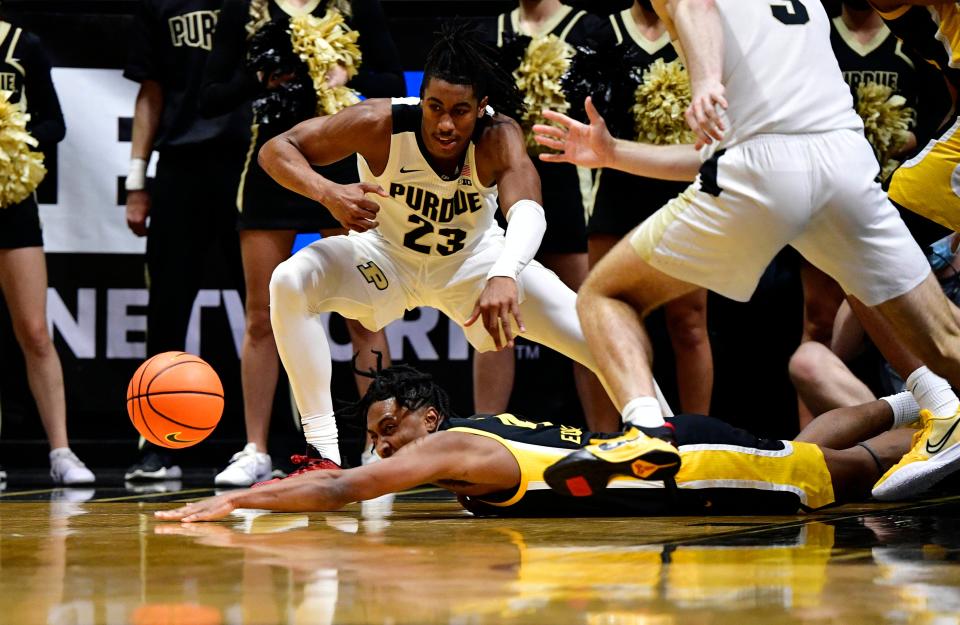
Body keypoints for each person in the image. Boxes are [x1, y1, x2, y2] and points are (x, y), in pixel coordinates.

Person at [531, 0, 960, 502]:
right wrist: (612, 154)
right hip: (845, 163)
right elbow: (712, 147)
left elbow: (694, 4)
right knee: (946, 340)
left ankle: (646, 433)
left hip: (763, 168)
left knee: (604, 295)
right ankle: (944, 406)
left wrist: (706, 79)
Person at [257, 23, 674, 475]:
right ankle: (323, 455)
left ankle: (670, 440)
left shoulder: (499, 135)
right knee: (290, 280)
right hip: (385, 259)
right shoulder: (378, 123)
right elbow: (277, 149)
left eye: (460, 111)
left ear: (482, 107)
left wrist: (506, 272)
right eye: (434, 107)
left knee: (597, 333)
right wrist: (327, 192)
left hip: (473, 264)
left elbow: (529, 211)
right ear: (422, 100)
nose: (445, 124)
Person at [156, 364, 920, 521]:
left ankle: (934, 416)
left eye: (390, 427)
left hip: (683, 467)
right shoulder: (464, 445)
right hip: (672, 451)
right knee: (803, 454)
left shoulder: (449, 446)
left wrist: (235, 500)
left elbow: (335, 489)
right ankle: (911, 400)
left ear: (428, 417)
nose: (383, 446)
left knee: (843, 476)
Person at [200, 0, 405, 485]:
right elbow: (209, 95)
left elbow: (395, 84)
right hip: (276, 168)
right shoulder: (244, 10)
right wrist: (266, 79)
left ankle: (382, 440)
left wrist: (342, 78)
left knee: (363, 314)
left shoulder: (357, 7)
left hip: (343, 164)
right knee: (260, 315)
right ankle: (255, 448)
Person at [122, 0, 248, 482]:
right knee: (167, 310)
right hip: (180, 167)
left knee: (266, 313)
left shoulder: (259, 5)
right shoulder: (158, 5)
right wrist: (137, 181)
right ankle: (155, 443)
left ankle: (272, 442)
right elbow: (149, 93)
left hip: (248, 163)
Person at [478, 0, 618, 426]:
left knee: (586, 317)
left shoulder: (589, 28)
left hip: (569, 186)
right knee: (492, 325)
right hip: (504, 180)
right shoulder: (492, 29)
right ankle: (482, 437)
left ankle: (608, 441)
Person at [588, 0, 712, 414]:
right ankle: (609, 439)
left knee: (689, 323)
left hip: (682, 186)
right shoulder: (606, 31)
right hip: (620, 187)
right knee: (601, 317)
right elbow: (584, 104)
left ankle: (699, 443)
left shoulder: (702, 25)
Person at [0, 21, 94, 486]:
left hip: (11, 201)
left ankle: (62, 451)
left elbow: (53, 123)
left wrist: (13, 136)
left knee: (35, 330)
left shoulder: (23, 43)